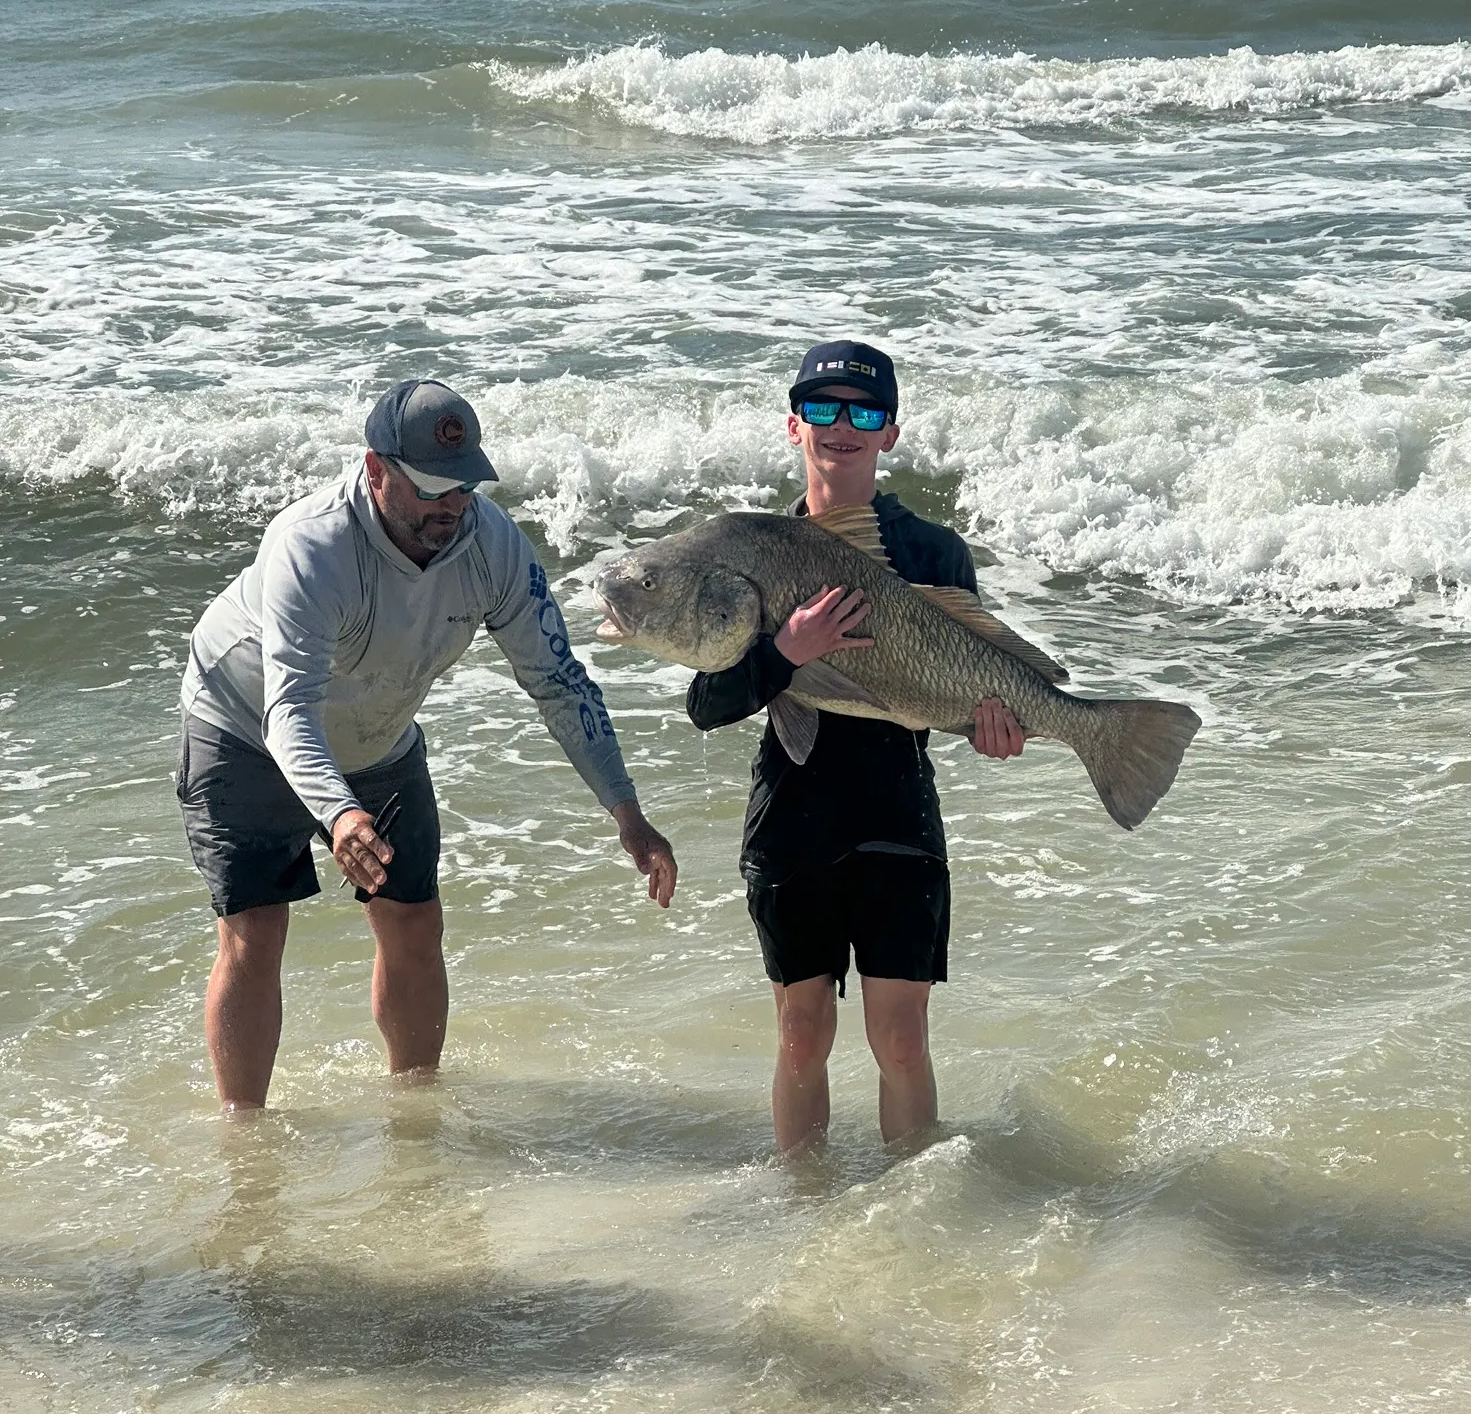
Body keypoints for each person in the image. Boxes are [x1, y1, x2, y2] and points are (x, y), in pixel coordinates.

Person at [178, 378, 677, 1110]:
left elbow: (560, 683)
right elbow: (288, 712)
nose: (451, 507)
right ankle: (245, 1137)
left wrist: (626, 812)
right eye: (433, 488)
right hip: (243, 730)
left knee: (413, 919)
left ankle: (416, 1114)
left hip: (379, 736)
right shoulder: (312, 546)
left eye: (465, 487)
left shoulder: (492, 545)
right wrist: (341, 815)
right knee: (256, 933)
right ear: (377, 470)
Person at [686, 341, 1024, 1152]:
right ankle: (807, 1216)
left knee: (901, 1038)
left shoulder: (933, 554)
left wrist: (993, 731)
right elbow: (707, 703)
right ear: (793, 426)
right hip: (792, 810)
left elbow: (966, 690)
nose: (844, 426)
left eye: (865, 412)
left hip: (896, 807)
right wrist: (785, 652)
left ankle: (913, 1222)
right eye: (825, 409)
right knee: (802, 1034)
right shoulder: (751, 550)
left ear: (891, 434)